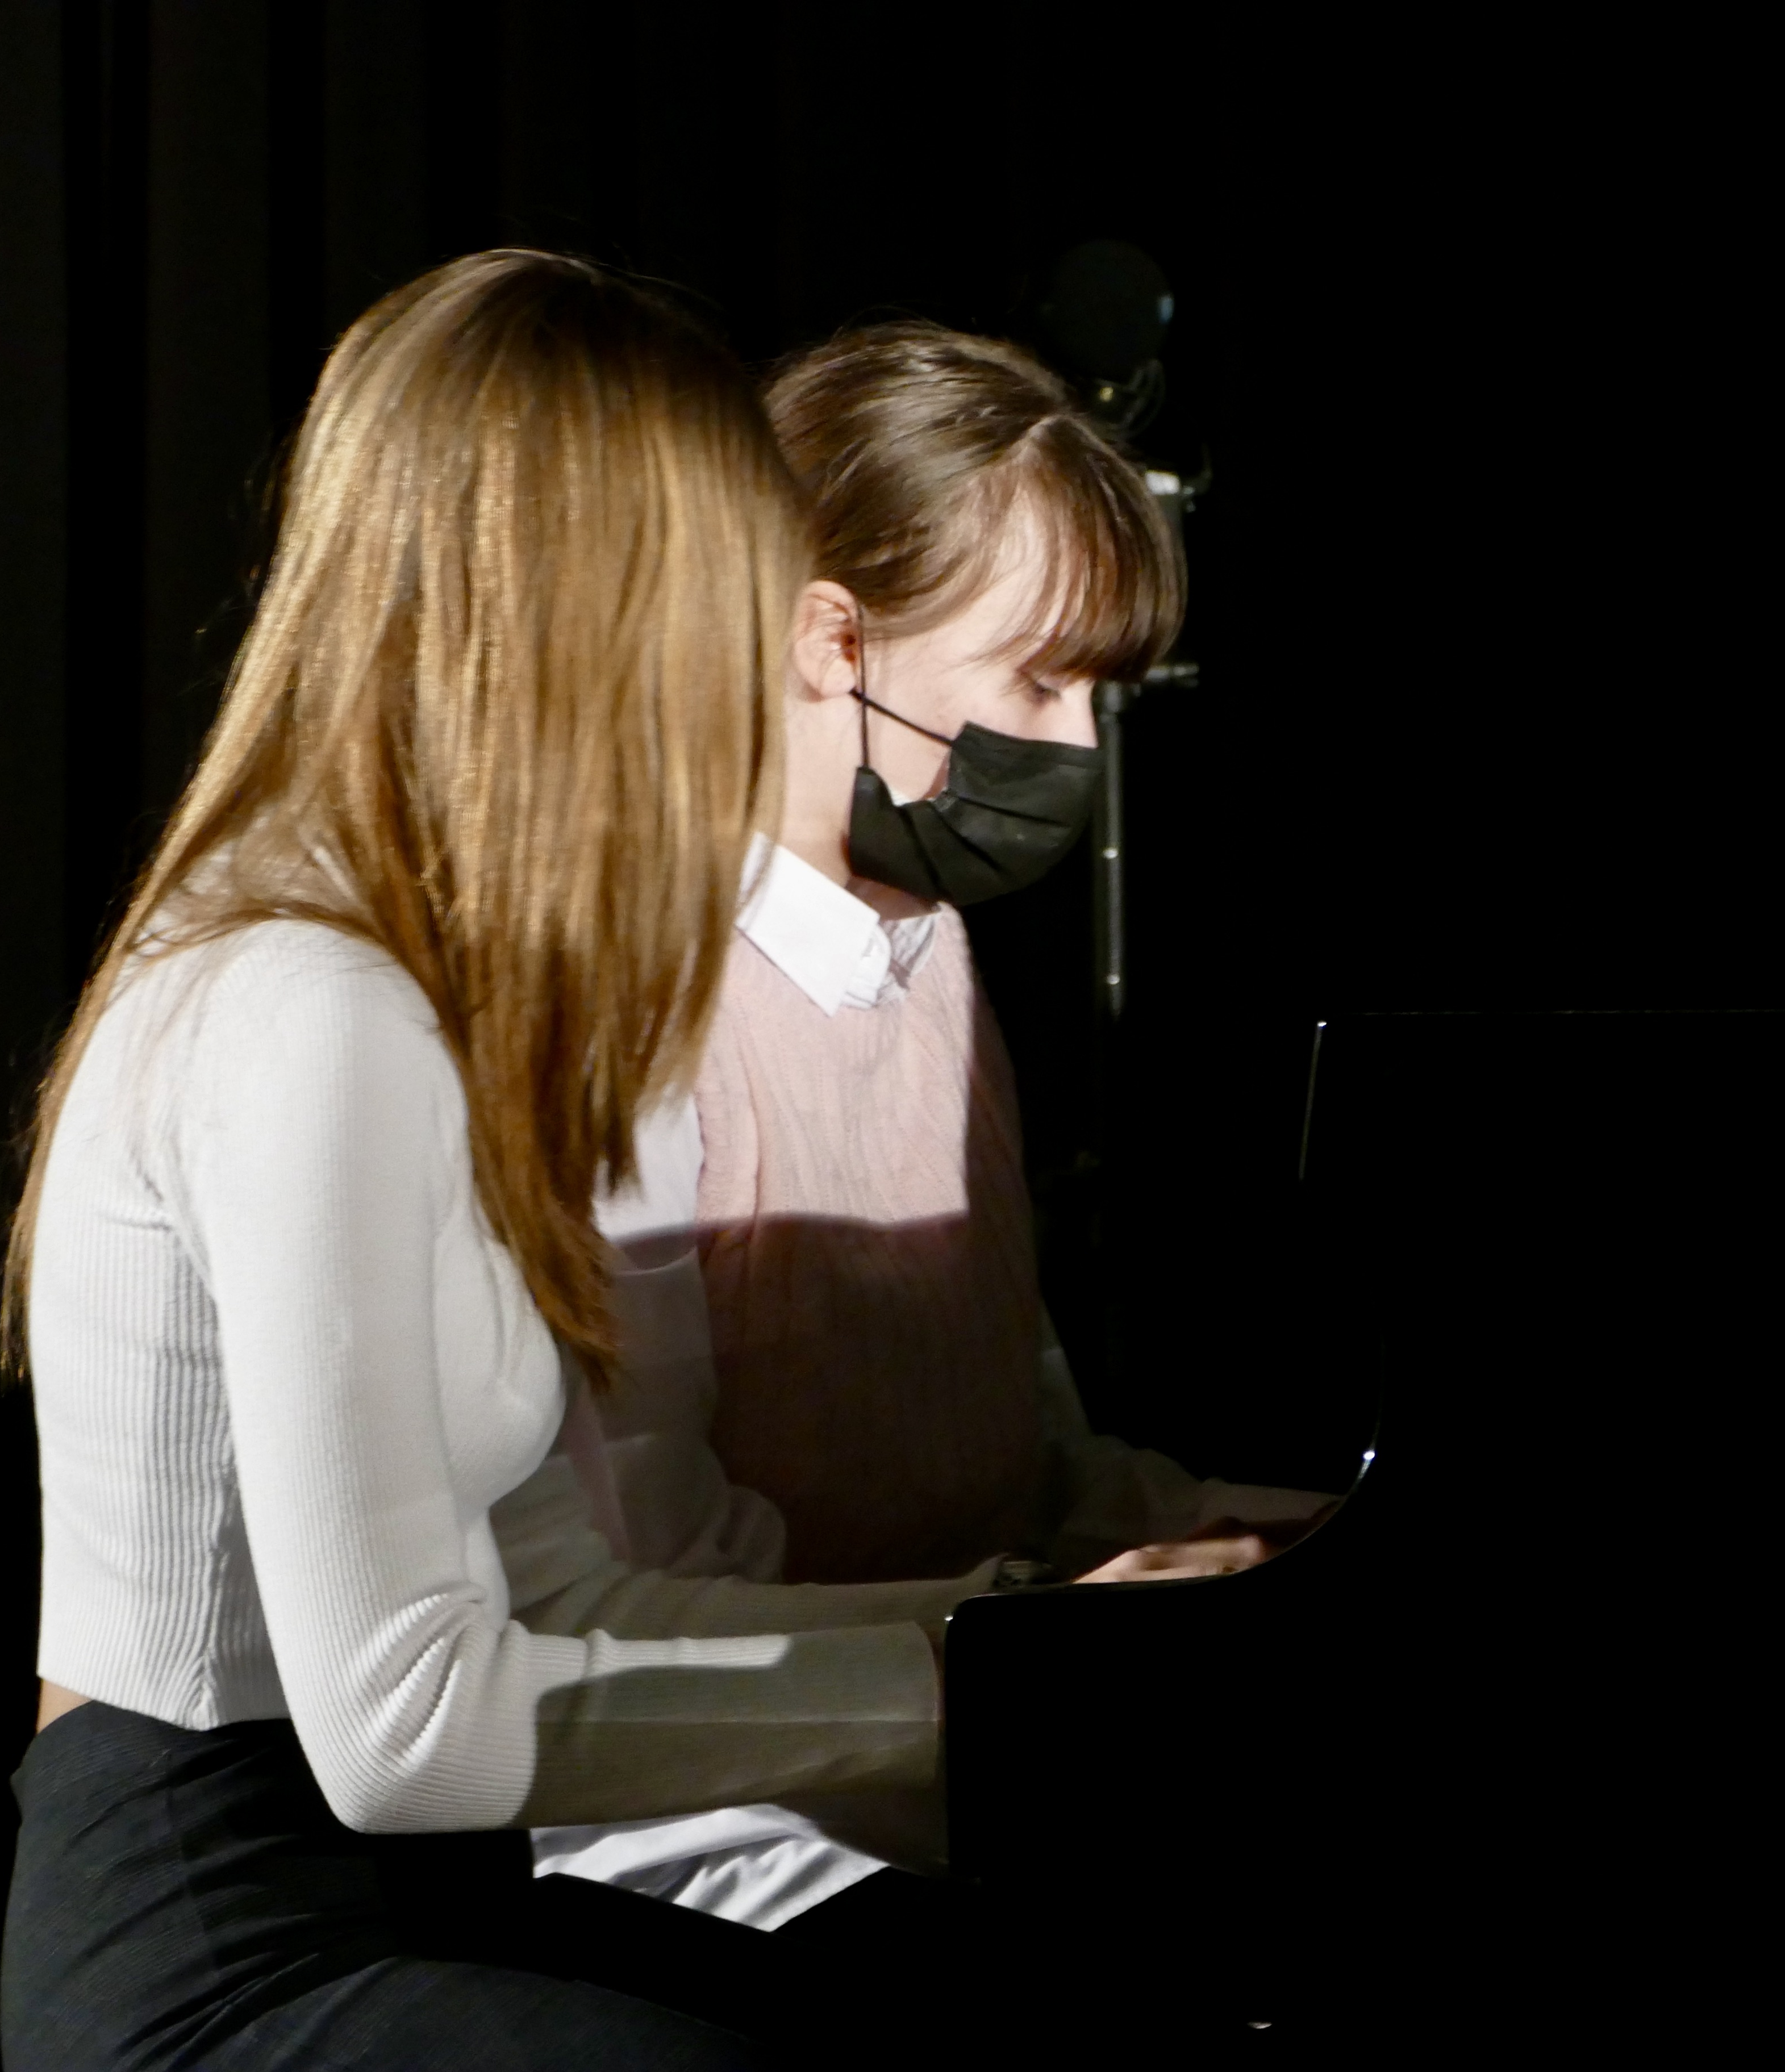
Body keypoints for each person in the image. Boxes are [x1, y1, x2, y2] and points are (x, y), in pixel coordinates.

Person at [0, 256, 1025, 2071]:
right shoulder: (305, 1004)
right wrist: (952, 1695)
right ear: (583, 612)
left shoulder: (422, 998)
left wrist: (1015, 1639)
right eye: (719, 610)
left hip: (420, 1904)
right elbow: (406, 1734)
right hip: (222, 1951)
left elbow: (556, 1606)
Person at [529, 325, 1332, 1936]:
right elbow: (651, 1599)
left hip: (976, 1754)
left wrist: (1266, 1539)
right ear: (831, 641)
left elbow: (1016, 1466)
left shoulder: (934, 961)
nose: (1079, 750)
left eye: (1099, 693)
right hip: (727, 1838)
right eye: (1037, 681)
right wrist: (1044, 1624)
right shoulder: (637, 1009)